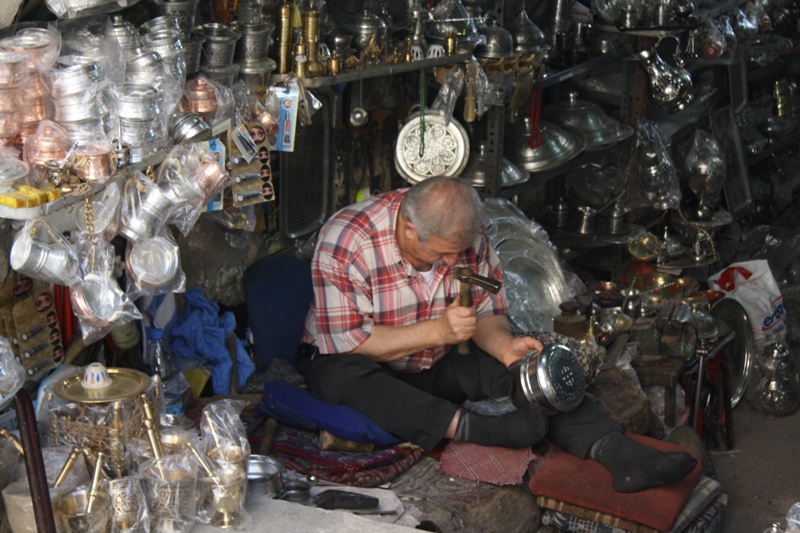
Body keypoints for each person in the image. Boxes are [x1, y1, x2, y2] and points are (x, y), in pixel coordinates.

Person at [302, 176, 697, 493]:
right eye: (441, 255)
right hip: (365, 367)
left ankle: (618, 452)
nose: (454, 262)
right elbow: (353, 342)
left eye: (459, 251)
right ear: (408, 229)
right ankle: (483, 429)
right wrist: (438, 329)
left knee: (525, 368)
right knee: (341, 375)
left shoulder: (466, 235)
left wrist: (506, 348)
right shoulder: (347, 240)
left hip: (437, 362)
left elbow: (488, 314)